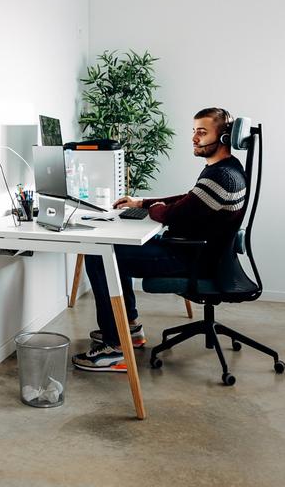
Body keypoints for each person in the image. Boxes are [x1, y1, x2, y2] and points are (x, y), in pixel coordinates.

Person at [71, 107, 247, 372]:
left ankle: (113, 348)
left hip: (193, 258)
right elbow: (189, 199)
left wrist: (153, 208)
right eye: (194, 131)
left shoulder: (222, 177)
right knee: (116, 250)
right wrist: (142, 202)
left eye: (202, 132)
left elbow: (173, 214)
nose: (194, 138)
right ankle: (129, 328)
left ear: (223, 137)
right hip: (198, 251)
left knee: (100, 256)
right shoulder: (227, 169)